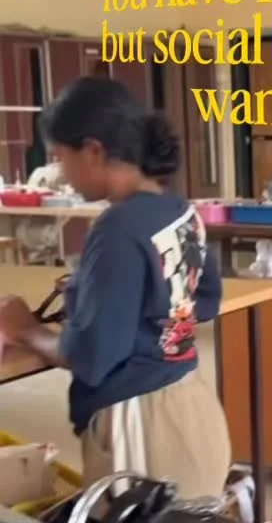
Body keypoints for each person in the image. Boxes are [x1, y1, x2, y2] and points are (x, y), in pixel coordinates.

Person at [0, 76, 230, 497]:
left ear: (93, 151)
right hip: (193, 405)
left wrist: (25, 328)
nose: (62, 176)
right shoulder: (179, 209)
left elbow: (91, 358)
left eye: (61, 158)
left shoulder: (117, 228)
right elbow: (206, 299)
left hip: (142, 425)